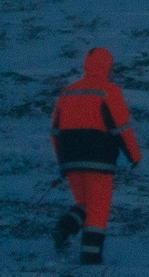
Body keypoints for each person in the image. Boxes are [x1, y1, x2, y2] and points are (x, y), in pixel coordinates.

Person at [50, 47, 141, 265]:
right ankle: (90, 260)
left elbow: (55, 131)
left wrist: (63, 163)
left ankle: (64, 228)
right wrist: (134, 156)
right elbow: (122, 128)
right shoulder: (109, 91)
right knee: (98, 210)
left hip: (72, 160)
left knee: (83, 203)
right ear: (108, 66)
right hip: (99, 161)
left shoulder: (67, 92)